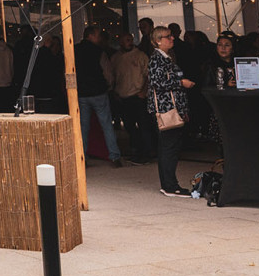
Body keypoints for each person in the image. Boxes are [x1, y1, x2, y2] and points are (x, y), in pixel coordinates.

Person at [147, 26, 194, 196]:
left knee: (169, 147)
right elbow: (157, 83)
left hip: (172, 107)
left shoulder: (166, 57)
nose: (172, 39)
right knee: (169, 148)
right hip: (167, 109)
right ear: (158, 41)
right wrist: (181, 83)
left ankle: (169, 183)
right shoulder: (157, 59)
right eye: (168, 37)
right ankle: (170, 185)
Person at [75, 25, 123, 168]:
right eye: (97, 35)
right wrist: (109, 86)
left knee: (83, 127)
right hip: (98, 92)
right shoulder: (99, 51)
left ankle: (83, 157)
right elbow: (107, 72)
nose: (100, 38)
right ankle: (114, 156)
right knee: (107, 124)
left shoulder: (74, 50)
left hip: (82, 93)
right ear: (90, 35)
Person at [111, 32, 153, 163]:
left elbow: (149, 75)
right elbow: (112, 76)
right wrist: (115, 92)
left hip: (138, 96)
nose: (129, 42)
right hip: (123, 96)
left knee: (144, 126)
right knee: (129, 126)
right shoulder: (115, 58)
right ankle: (136, 150)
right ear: (120, 42)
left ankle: (147, 153)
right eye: (126, 40)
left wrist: (144, 91)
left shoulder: (140, 55)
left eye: (130, 39)